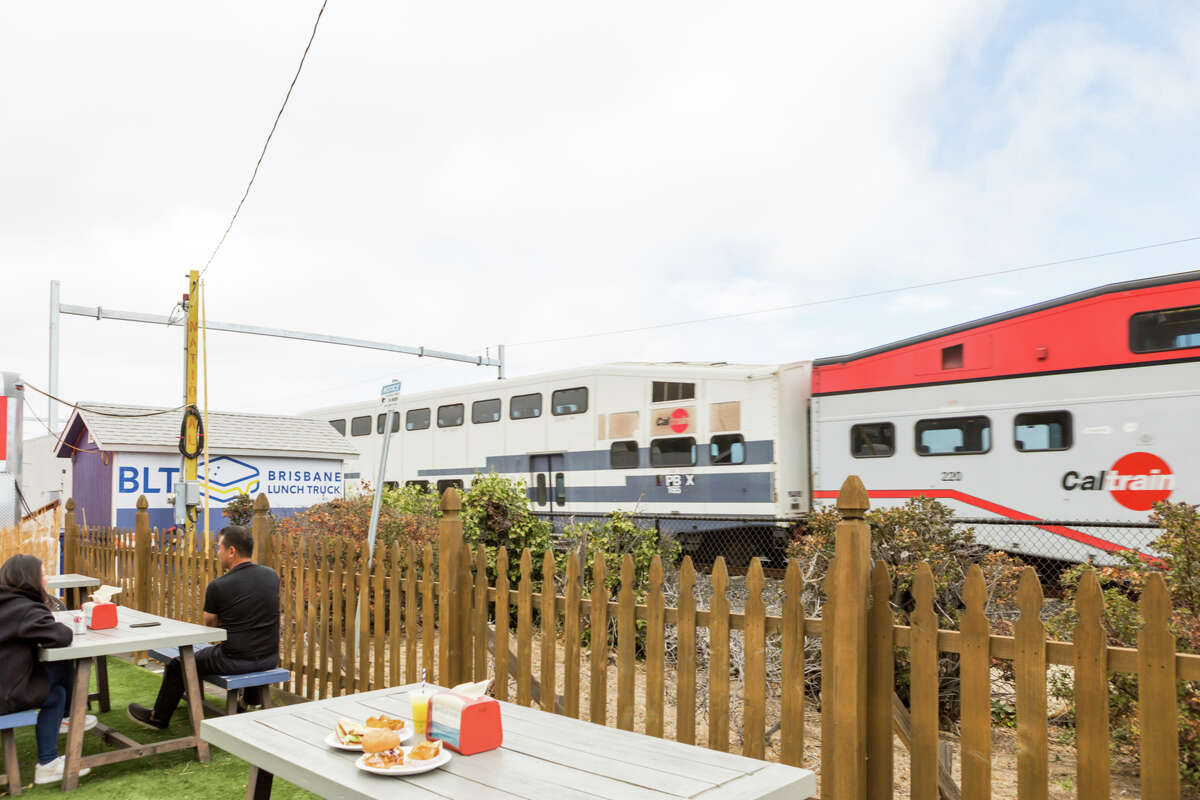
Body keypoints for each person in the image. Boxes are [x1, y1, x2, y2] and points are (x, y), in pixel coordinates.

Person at [127, 525, 279, 729]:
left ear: (231, 551)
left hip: (235, 660)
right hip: (270, 657)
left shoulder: (219, 585)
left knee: (179, 663)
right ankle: (248, 701)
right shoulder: (271, 576)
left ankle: (158, 718)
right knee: (249, 647)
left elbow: (210, 625)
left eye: (219, 548)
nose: (218, 553)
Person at [0, 554, 94, 784]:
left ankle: (64, 725)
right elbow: (61, 635)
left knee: (56, 682)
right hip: (5, 694)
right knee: (57, 684)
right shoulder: (25, 609)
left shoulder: (7, 602)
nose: (47, 578)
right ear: (30, 579)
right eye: (43, 574)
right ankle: (65, 722)